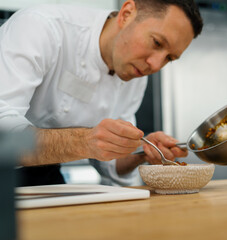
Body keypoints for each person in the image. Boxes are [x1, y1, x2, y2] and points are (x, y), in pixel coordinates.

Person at [0, 0, 203, 186]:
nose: (156, 64)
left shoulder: (135, 71)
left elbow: (109, 164)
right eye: (157, 43)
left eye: (169, 58)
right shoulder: (41, 27)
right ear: (127, 14)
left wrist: (140, 150)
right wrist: (82, 142)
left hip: (46, 179)